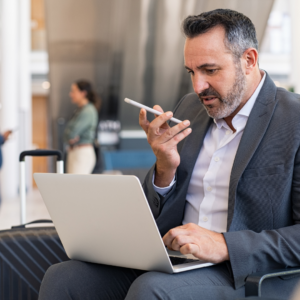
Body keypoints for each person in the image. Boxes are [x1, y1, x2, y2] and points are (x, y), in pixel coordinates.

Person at [39, 9, 300, 300]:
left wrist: (224, 245)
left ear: (249, 60)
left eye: (210, 70)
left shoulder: (294, 119)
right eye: (192, 72)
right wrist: (165, 168)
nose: (198, 86)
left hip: (244, 274)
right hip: (175, 261)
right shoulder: (191, 108)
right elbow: (158, 215)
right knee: (64, 277)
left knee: (152, 289)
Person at [64, 80, 99, 174]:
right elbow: (67, 134)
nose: (71, 94)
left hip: (82, 153)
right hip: (74, 151)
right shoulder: (79, 110)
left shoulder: (88, 111)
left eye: (74, 91)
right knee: (72, 185)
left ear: (83, 93)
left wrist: (71, 136)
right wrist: (70, 136)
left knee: (77, 186)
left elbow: (71, 134)